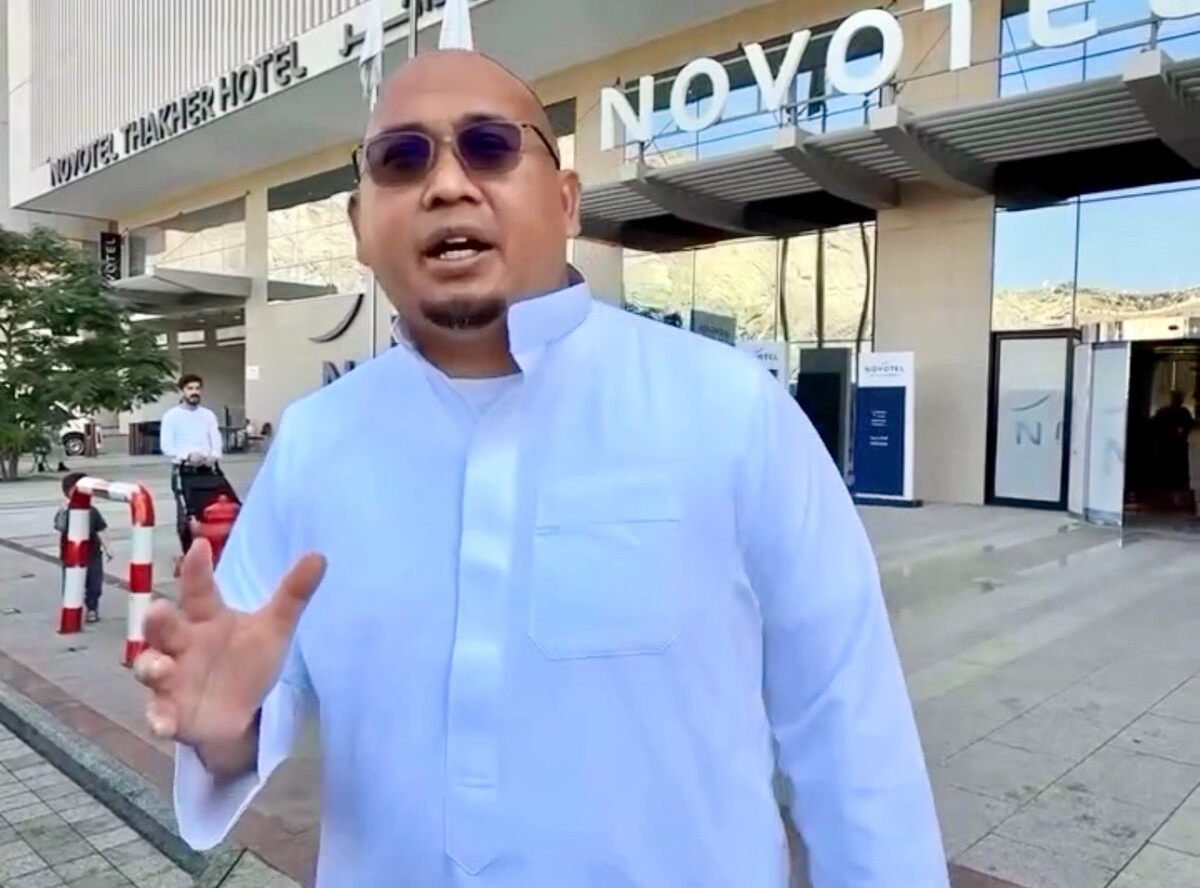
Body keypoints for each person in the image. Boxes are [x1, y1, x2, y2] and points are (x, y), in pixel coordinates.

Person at [135, 51, 947, 887]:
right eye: (401, 159)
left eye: (489, 147)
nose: (446, 184)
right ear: (359, 224)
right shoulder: (315, 439)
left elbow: (851, 734)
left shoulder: (733, 409)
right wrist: (221, 729)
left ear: (565, 200)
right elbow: (239, 689)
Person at [161, 374, 225, 554]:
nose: (194, 392)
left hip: (209, 471)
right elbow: (167, 447)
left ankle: (214, 551)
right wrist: (187, 455)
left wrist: (214, 456)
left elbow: (216, 440)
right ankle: (189, 553)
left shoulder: (208, 415)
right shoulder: (171, 416)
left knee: (218, 509)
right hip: (185, 471)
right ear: (182, 391)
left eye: (197, 388)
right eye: (190, 389)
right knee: (188, 515)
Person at [53, 472, 112, 623]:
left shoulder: (92, 511)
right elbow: (60, 527)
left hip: (93, 553)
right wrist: (64, 511)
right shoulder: (65, 511)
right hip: (71, 555)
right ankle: (72, 607)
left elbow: (100, 529)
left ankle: (92, 607)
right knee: (71, 584)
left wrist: (108, 548)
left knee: (94, 584)